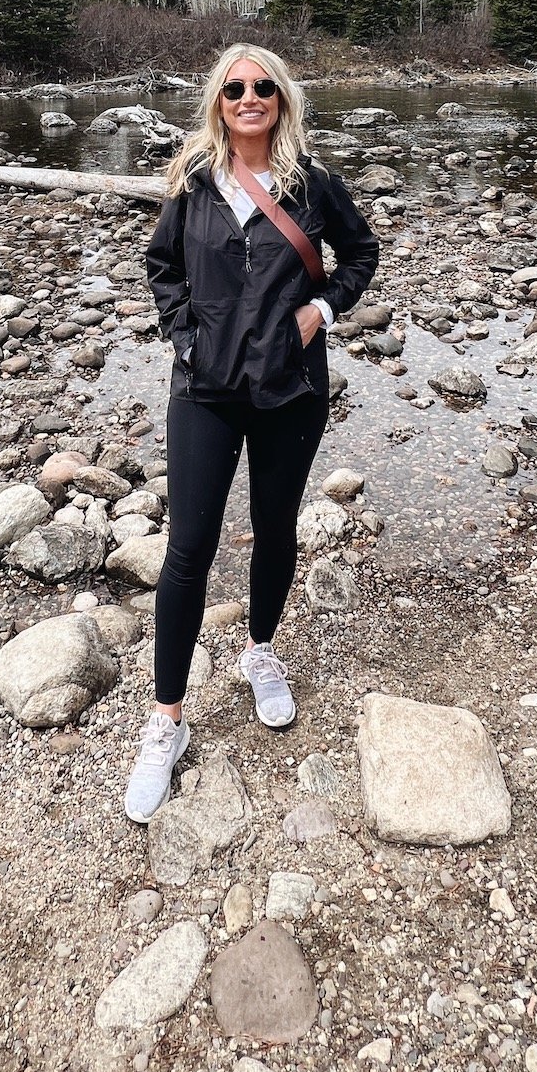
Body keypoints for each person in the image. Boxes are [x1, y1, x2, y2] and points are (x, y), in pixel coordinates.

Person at [125, 42, 379, 823]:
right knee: (188, 550)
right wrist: (186, 335)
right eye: (235, 88)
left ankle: (259, 651)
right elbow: (161, 265)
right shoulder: (194, 182)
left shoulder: (313, 184)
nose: (248, 97)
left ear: (281, 99)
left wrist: (324, 308)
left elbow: (362, 252)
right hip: (203, 391)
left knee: (275, 533)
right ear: (218, 101)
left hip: (289, 390)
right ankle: (167, 718)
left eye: (262, 86)